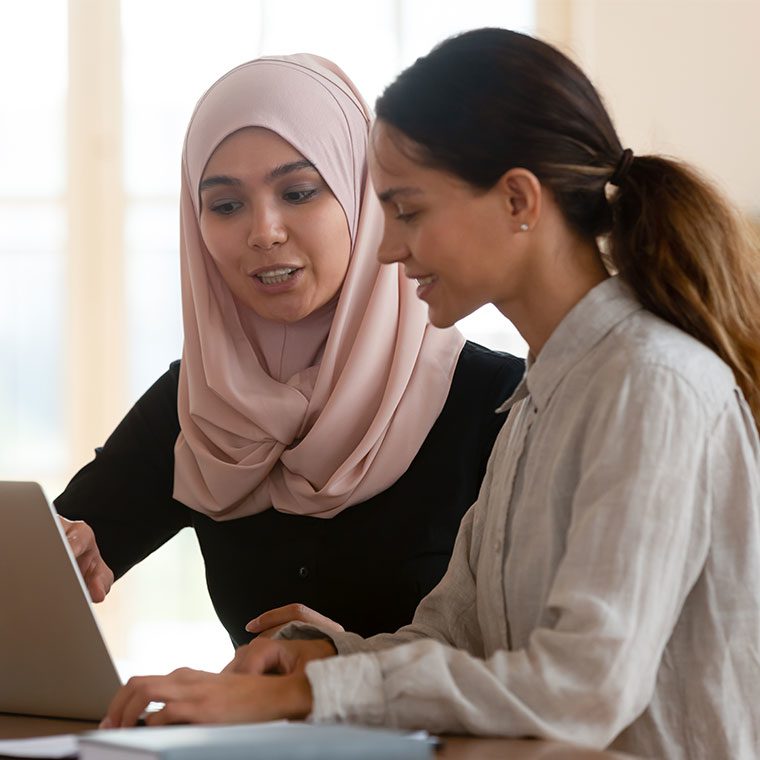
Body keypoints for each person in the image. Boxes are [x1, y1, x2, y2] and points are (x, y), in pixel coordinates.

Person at [101, 28, 760, 759]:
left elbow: (583, 687)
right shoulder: (542, 396)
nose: (386, 247)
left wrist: (304, 695)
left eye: (408, 211)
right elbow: (455, 634)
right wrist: (327, 657)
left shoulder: (651, 385)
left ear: (517, 200)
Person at [55, 54, 524, 646]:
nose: (264, 231)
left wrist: (349, 668)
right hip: (257, 741)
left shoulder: (501, 405)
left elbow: (539, 662)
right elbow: (61, 546)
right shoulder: (200, 403)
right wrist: (63, 554)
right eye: (225, 205)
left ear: (366, 198)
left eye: (299, 192)